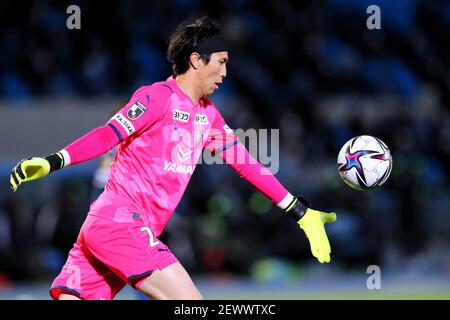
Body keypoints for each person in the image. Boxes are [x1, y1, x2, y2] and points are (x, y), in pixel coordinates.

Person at [9, 17, 336, 300]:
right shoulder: (157, 98)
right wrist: (54, 161)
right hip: (120, 222)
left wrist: (299, 210)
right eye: (221, 61)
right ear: (196, 60)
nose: (225, 72)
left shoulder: (209, 117)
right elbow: (108, 134)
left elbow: (248, 164)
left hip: (110, 229)